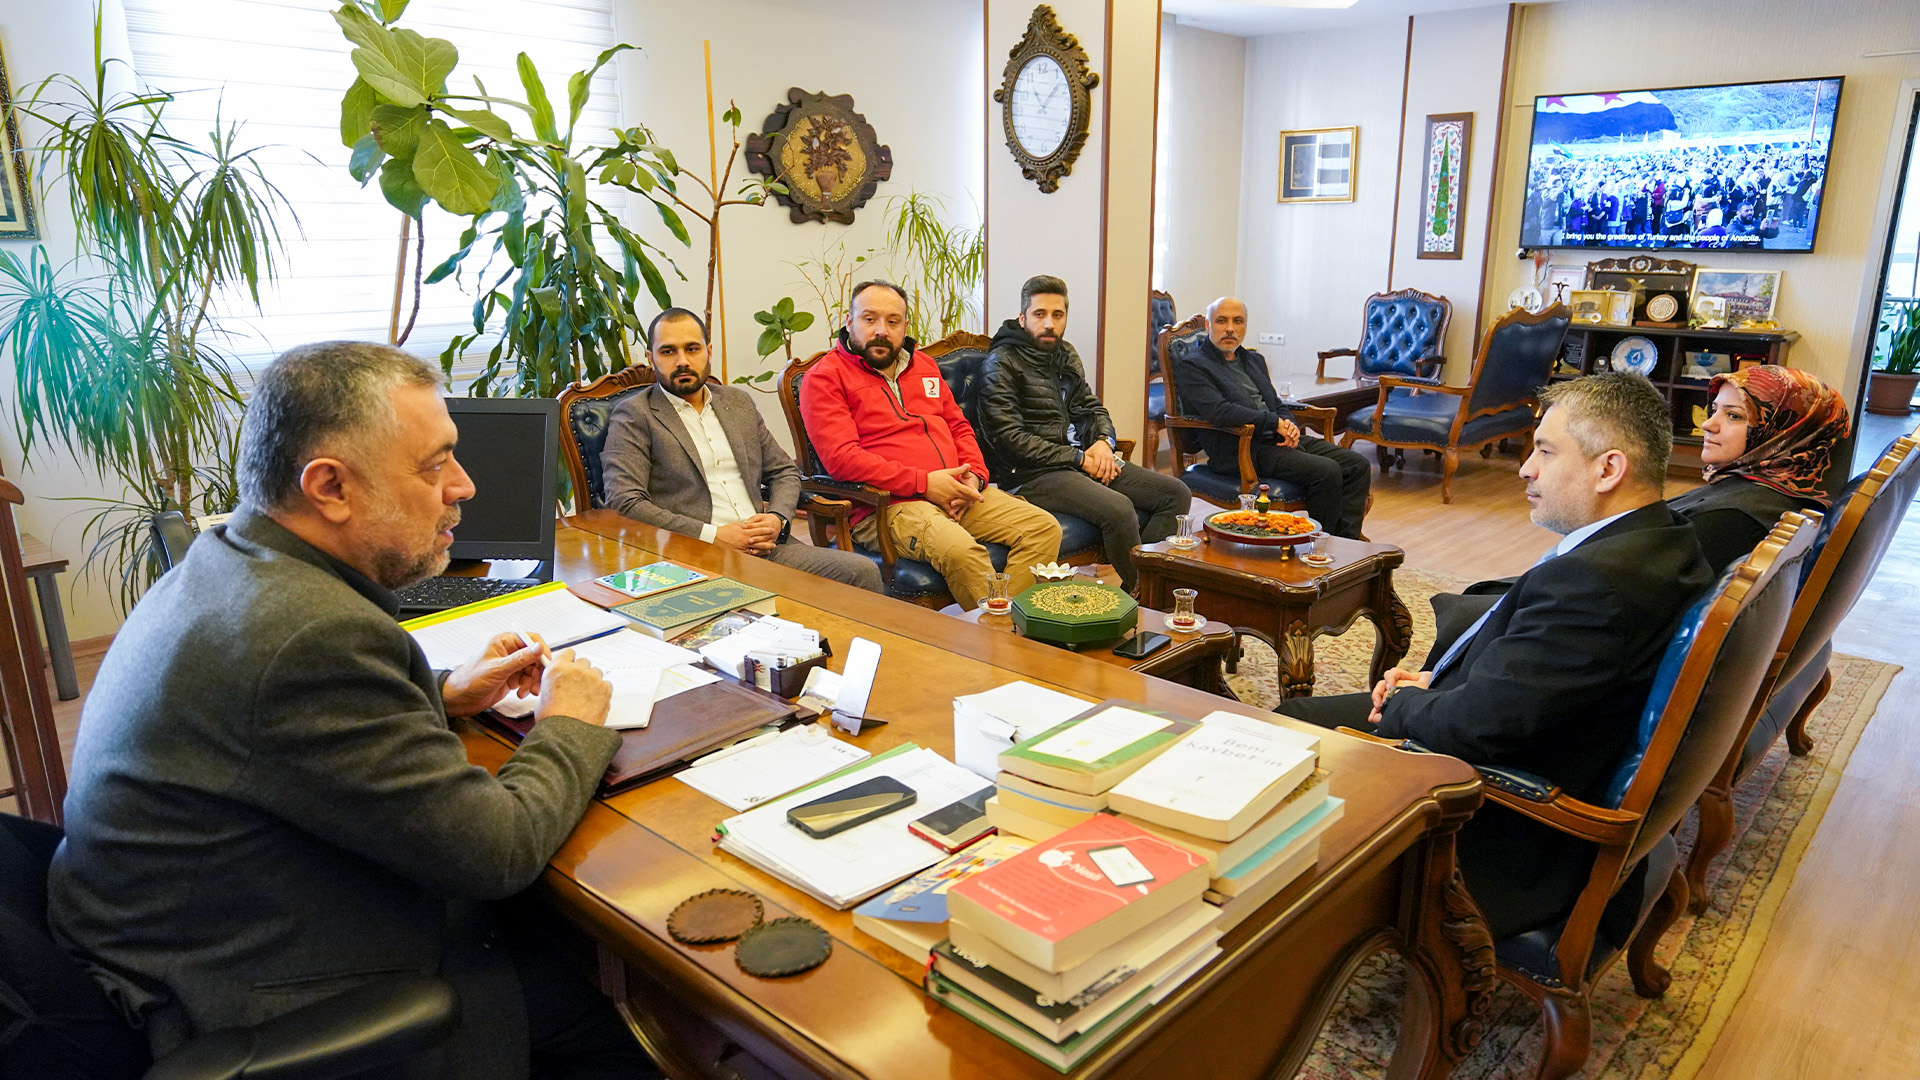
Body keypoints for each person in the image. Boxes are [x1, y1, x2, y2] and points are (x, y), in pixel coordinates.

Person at [49, 343, 658, 1079]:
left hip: (199, 928)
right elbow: (497, 852)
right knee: (626, 1020)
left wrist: (443, 692)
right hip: (270, 993)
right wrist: (569, 722)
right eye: (434, 465)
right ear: (330, 487)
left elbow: (277, 726)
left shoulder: (228, 560)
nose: (463, 486)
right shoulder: (308, 635)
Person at [1275, 373, 1714, 939]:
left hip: (1506, 832)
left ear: (1608, 469)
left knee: (1285, 732)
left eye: (1546, 452)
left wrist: (1404, 703)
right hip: (1540, 743)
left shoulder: (1595, 583)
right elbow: (1541, 682)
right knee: (1300, 718)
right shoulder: (1666, 536)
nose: (1526, 469)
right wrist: (1439, 679)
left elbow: (1479, 728)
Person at [799, 280, 1062, 610]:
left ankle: (1010, 623)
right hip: (888, 506)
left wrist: (974, 476)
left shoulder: (922, 366)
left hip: (957, 491)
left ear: (905, 326)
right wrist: (924, 484)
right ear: (849, 321)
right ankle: (1004, 636)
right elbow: (842, 459)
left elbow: (958, 426)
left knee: (1043, 528)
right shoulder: (825, 377)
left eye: (893, 321)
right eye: (870, 319)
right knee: (962, 551)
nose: (881, 330)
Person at [601, 308, 884, 592]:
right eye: (668, 351)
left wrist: (777, 518)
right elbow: (625, 501)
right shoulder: (635, 415)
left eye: (692, 349)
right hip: (695, 556)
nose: (682, 361)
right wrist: (713, 536)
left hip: (769, 548)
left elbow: (784, 471)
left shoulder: (737, 403)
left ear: (708, 352)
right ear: (651, 359)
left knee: (861, 572)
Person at [978, 276, 1191, 593]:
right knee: (1118, 509)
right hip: (1030, 473)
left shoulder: (1065, 353)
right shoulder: (1001, 363)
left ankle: (1141, 588)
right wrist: (1079, 458)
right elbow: (1009, 439)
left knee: (1176, 493)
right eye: (1039, 314)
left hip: (1079, 461)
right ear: (1022, 318)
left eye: (1058, 315)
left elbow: (1091, 408)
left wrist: (1104, 443)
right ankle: (1145, 596)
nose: (1049, 324)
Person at [1173, 296, 1372, 538]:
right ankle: (1320, 544)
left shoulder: (1253, 360)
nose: (1230, 328)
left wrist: (1290, 425)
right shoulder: (1193, 365)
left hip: (1274, 440)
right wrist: (1274, 422)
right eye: (1221, 321)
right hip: (1240, 448)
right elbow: (1220, 411)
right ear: (1208, 325)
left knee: (1357, 464)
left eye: (1238, 321)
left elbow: (1276, 403)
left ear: (1245, 326)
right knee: (1326, 471)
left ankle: (1346, 541)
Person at [1669, 365, 1850, 574]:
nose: (1708, 424)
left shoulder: (1731, 521)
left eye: (1733, 416)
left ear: (1785, 430)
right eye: (1714, 410)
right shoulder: (1771, 491)